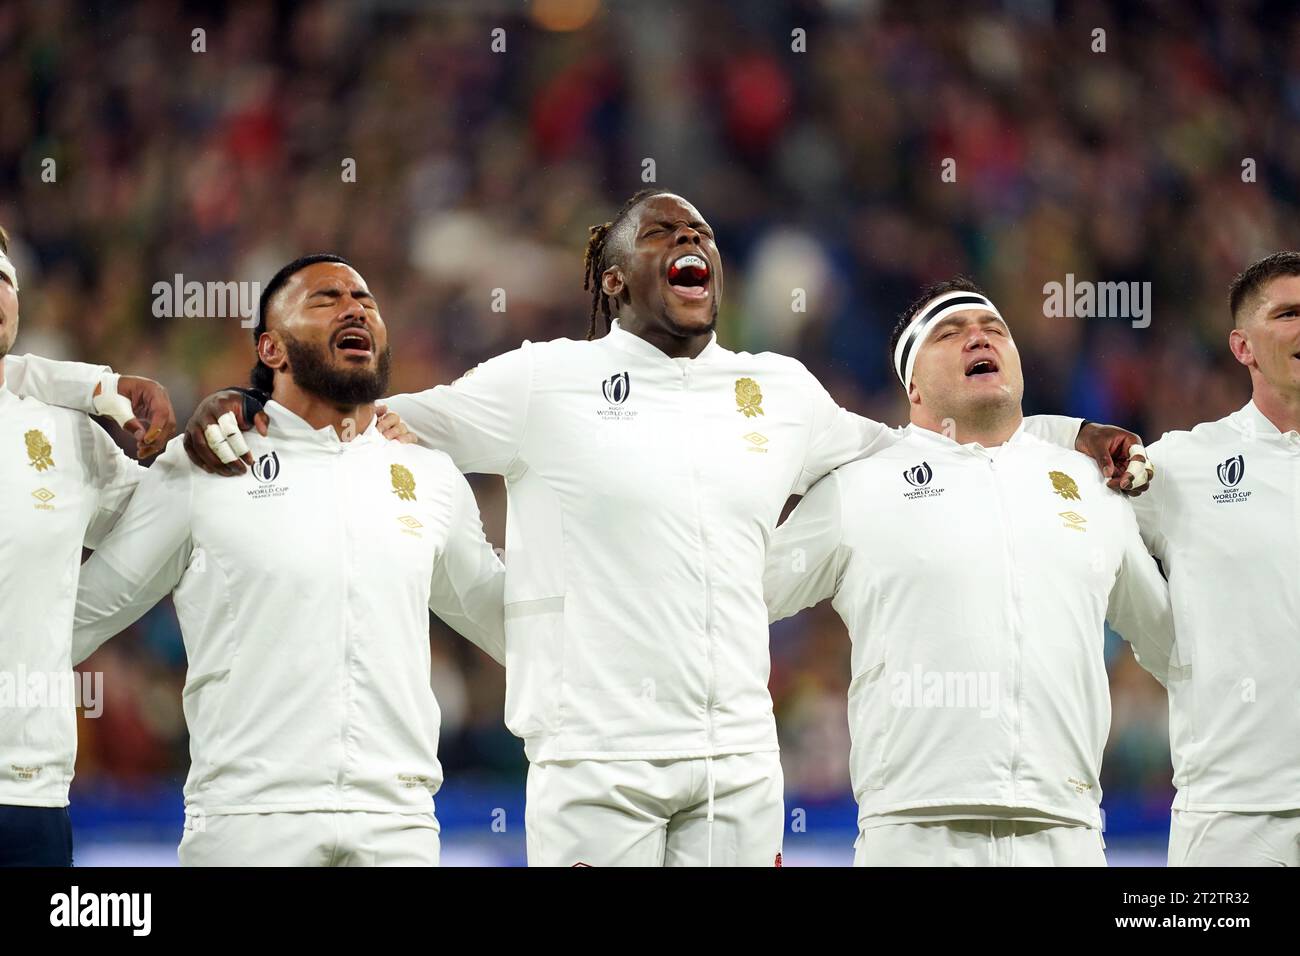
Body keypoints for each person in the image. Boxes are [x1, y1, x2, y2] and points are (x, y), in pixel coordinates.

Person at [179, 191, 1151, 867]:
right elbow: (365, 412)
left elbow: (928, 443)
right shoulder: (540, 380)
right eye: (662, 232)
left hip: (740, 765)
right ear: (611, 280)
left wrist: (1066, 433)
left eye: (701, 231)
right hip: (596, 758)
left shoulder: (780, 391)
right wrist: (245, 399)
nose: (692, 239)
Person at [70, 254, 506, 866]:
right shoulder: (205, 465)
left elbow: (508, 624)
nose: (355, 308)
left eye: (366, 300)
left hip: (398, 826)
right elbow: (78, 617)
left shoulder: (429, 476)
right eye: (327, 299)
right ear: (271, 348)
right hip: (249, 823)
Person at [764, 277, 1174, 866]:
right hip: (914, 831)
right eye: (949, 333)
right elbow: (735, 601)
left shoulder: (1091, 485)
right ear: (912, 385)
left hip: (1069, 831)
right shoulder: (861, 486)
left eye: (994, 330)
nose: (979, 338)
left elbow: (1171, 644)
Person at [0, 224, 173, 866]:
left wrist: (69, 631)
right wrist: (94, 382)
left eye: (2, 279)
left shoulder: (63, 434)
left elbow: (170, 526)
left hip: (30, 793)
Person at [1129, 251, 1300, 866]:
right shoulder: (1183, 465)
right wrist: (1167, 653)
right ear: (1242, 346)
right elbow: (1077, 536)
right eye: (1288, 314)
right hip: (1233, 812)